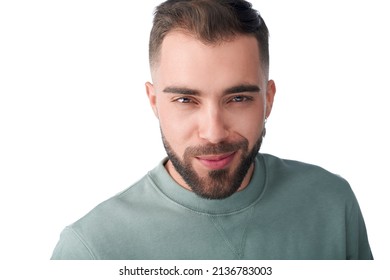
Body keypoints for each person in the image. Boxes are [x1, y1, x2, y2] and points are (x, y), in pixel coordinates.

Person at [51, 0, 373, 260]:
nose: (214, 132)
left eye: (238, 98)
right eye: (185, 99)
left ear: (268, 100)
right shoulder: (90, 250)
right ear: (154, 102)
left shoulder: (332, 203)